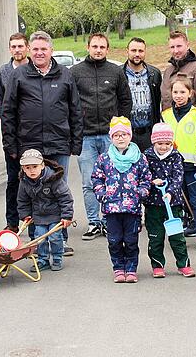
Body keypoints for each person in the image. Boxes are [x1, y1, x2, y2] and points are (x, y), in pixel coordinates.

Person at [1, 31, 82, 255]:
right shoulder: (19, 76)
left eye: (43, 49)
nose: (39, 53)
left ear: (51, 51)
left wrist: (76, 142)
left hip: (59, 144)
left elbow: (75, 110)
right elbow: (8, 113)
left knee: (58, 191)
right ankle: (36, 242)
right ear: (30, 51)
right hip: (29, 146)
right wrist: (11, 146)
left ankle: (59, 241)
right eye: (35, 49)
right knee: (31, 193)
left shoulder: (65, 75)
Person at [72, 33, 132, 241]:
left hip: (110, 137)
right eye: (94, 46)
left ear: (107, 49)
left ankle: (109, 220)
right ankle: (93, 222)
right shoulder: (75, 72)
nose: (98, 50)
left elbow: (125, 100)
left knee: (112, 180)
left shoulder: (115, 71)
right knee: (89, 182)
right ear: (88, 47)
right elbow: (70, 103)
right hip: (86, 137)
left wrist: (120, 127)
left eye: (102, 47)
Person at [91, 117, 152, 283]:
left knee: (131, 241)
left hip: (132, 208)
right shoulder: (104, 159)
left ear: (130, 136)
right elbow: (96, 178)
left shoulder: (139, 158)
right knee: (114, 241)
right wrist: (102, 193)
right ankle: (118, 268)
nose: (120, 138)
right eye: (116, 135)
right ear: (111, 138)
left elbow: (146, 178)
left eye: (124, 134)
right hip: (111, 209)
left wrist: (140, 192)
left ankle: (131, 268)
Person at [142, 123, 195, 278]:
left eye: (167, 144)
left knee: (177, 236)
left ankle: (183, 264)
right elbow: (143, 175)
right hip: (153, 204)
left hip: (173, 204)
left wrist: (171, 192)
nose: (164, 147)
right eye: (160, 143)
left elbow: (178, 178)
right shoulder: (147, 156)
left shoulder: (176, 157)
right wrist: (152, 181)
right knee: (155, 236)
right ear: (153, 142)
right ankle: (157, 265)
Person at [161, 78, 196, 250]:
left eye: (182, 92)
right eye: (175, 92)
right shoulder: (165, 115)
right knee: (174, 201)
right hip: (172, 167)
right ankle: (177, 236)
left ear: (190, 93)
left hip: (192, 167)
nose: (179, 96)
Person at [16, 149, 73, 272]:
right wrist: (25, 215)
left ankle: (57, 258)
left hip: (55, 214)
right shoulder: (24, 182)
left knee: (55, 237)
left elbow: (65, 197)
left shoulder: (53, 178)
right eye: (28, 168)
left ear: (42, 165)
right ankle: (43, 259)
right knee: (39, 237)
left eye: (35, 167)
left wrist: (67, 216)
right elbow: (22, 200)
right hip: (39, 216)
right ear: (23, 169)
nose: (32, 171)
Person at [0, 32, 29, 233]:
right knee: (13, 179)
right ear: (10, 49)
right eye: (13, 46)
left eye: (20, 46)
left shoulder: (35, 69)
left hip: (34, 134)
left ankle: (37, 222)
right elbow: (1, 105)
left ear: (27, 48)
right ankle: (12, 222)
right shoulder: (3, 73)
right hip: (12, 135)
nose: (17, 50)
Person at [161, 31, 196, 122]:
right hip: (171, 126)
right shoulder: (168, 72)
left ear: (187, 45)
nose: (176, 50)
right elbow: (165, 100)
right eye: (172, 47)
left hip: (191, 126)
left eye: (179, 46)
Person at [123, 37, 162, 151]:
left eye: (140, 51)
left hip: (148, 133)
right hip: (127, 133)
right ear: (127, 51)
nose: (137, 54)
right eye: (133, 50)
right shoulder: (118, 74)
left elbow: (158, 100)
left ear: (145, 52)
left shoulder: (155, 74)